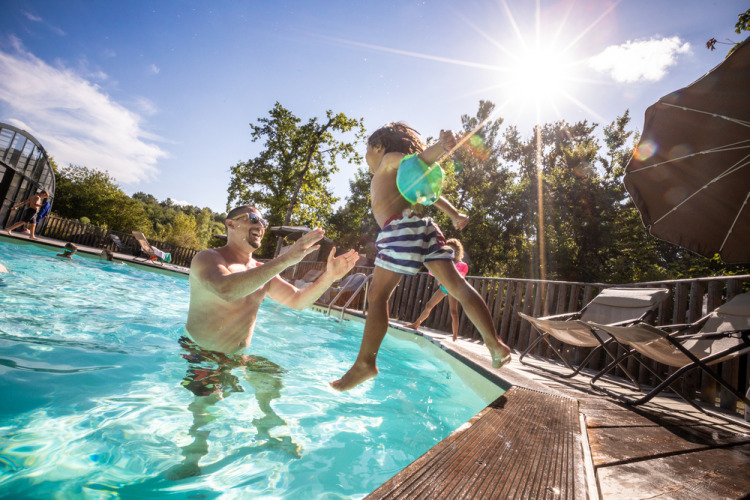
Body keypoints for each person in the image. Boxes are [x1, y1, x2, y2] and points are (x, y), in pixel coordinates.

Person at [168, 205, 359, 479]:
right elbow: (226, 290)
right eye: (254, 218)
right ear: (230, 224)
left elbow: (297, 300)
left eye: (264, 221)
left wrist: (330, 276)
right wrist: (285, 260)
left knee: (272, 378)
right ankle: (193, 458)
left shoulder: (262, 270)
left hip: (237, 355)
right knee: (208, 405)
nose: (261, 225)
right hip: (202, 353)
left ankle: (266, 427)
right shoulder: (207, 259)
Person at [330, 122, 512, 392]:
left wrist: (439, 148)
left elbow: (419, 161)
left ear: (378, 147)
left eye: (366, 150)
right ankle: (494, 343)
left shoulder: (389, 161)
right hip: (424, 228)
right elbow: (432, 195)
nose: (366, 157)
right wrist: (454, 214)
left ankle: (365, 364)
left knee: (378, 296)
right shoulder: (404, 177)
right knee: (458, 287)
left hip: (398, 228)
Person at [405, 238, 468, 341]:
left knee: (453, 312)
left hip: (453, 289)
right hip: (444, 288)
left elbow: (459, 277)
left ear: (456, 252)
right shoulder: (444, 262)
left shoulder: (461, 264)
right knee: (429, 305)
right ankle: (416, 324)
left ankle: (455, 336)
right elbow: (434, 272)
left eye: (452, 251)